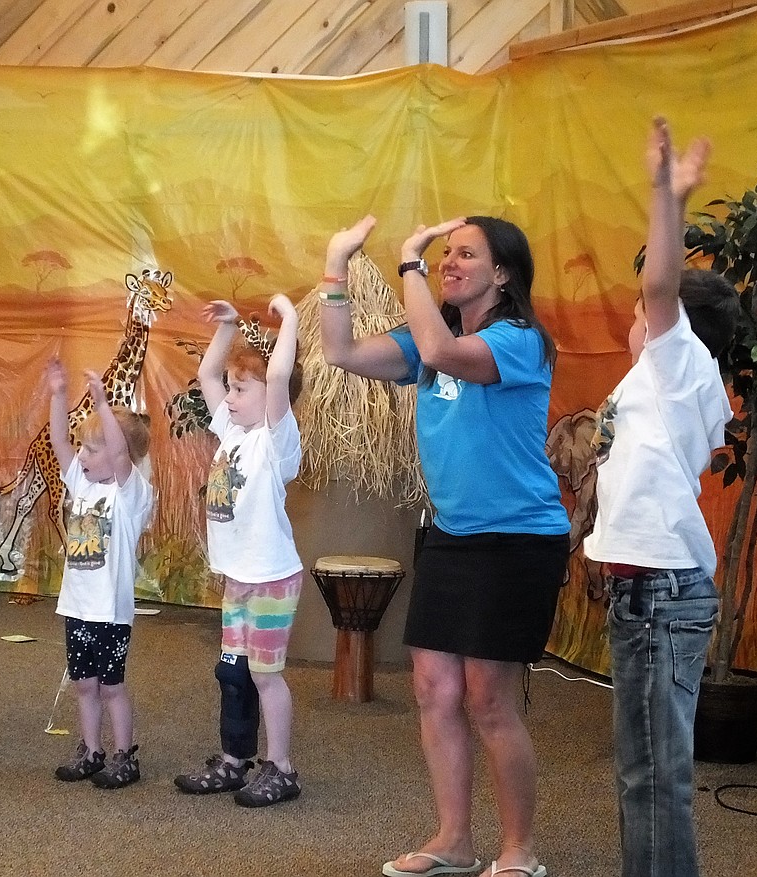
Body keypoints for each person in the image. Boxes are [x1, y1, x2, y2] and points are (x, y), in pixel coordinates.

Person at [319, 215, 569, 877]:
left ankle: (520, 848)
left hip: (517, 538)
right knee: (434, 687)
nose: (448, 262)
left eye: (466, 255)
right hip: (451, 538)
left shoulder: (518, 339)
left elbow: (440, 355)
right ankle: (453, 840)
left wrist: (408, 263)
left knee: (489, 696)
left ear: (504, 273)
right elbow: (342, 353)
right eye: (444, 254)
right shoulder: (430, 336)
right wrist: (336, 268)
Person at [584, 118, 738, 877]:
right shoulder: (661, 383)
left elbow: (657, 283)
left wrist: (665, 193)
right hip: (647, 593)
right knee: (644, 774)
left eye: (648, 312)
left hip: (660, 593)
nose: (635, 318)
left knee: (653, 778)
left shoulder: (681, 368)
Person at [174, 293, 305, 808]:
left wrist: (290, 319)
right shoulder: (230, 431)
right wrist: (228, 328)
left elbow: (277, 378)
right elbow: (207, 375)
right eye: (232, 388)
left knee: (265, 676)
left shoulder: (275, 442)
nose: (229, 396)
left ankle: (282, 767)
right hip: (238, 578)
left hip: (272, 577)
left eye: (240, 389)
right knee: (233, 671)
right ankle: (235, 759)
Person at [46, 357, 154, 790]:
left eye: (93, 448)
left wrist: (105, 406)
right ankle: (91, 750)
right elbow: (58, 444)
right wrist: (57, 396)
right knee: (84, 685)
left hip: (110, 613)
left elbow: (120, 451)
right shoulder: (84, 484)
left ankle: (124, 756)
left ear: (118, 454)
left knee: (111, 688)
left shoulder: (131, 495)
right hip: (77, 606)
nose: (83, 455)